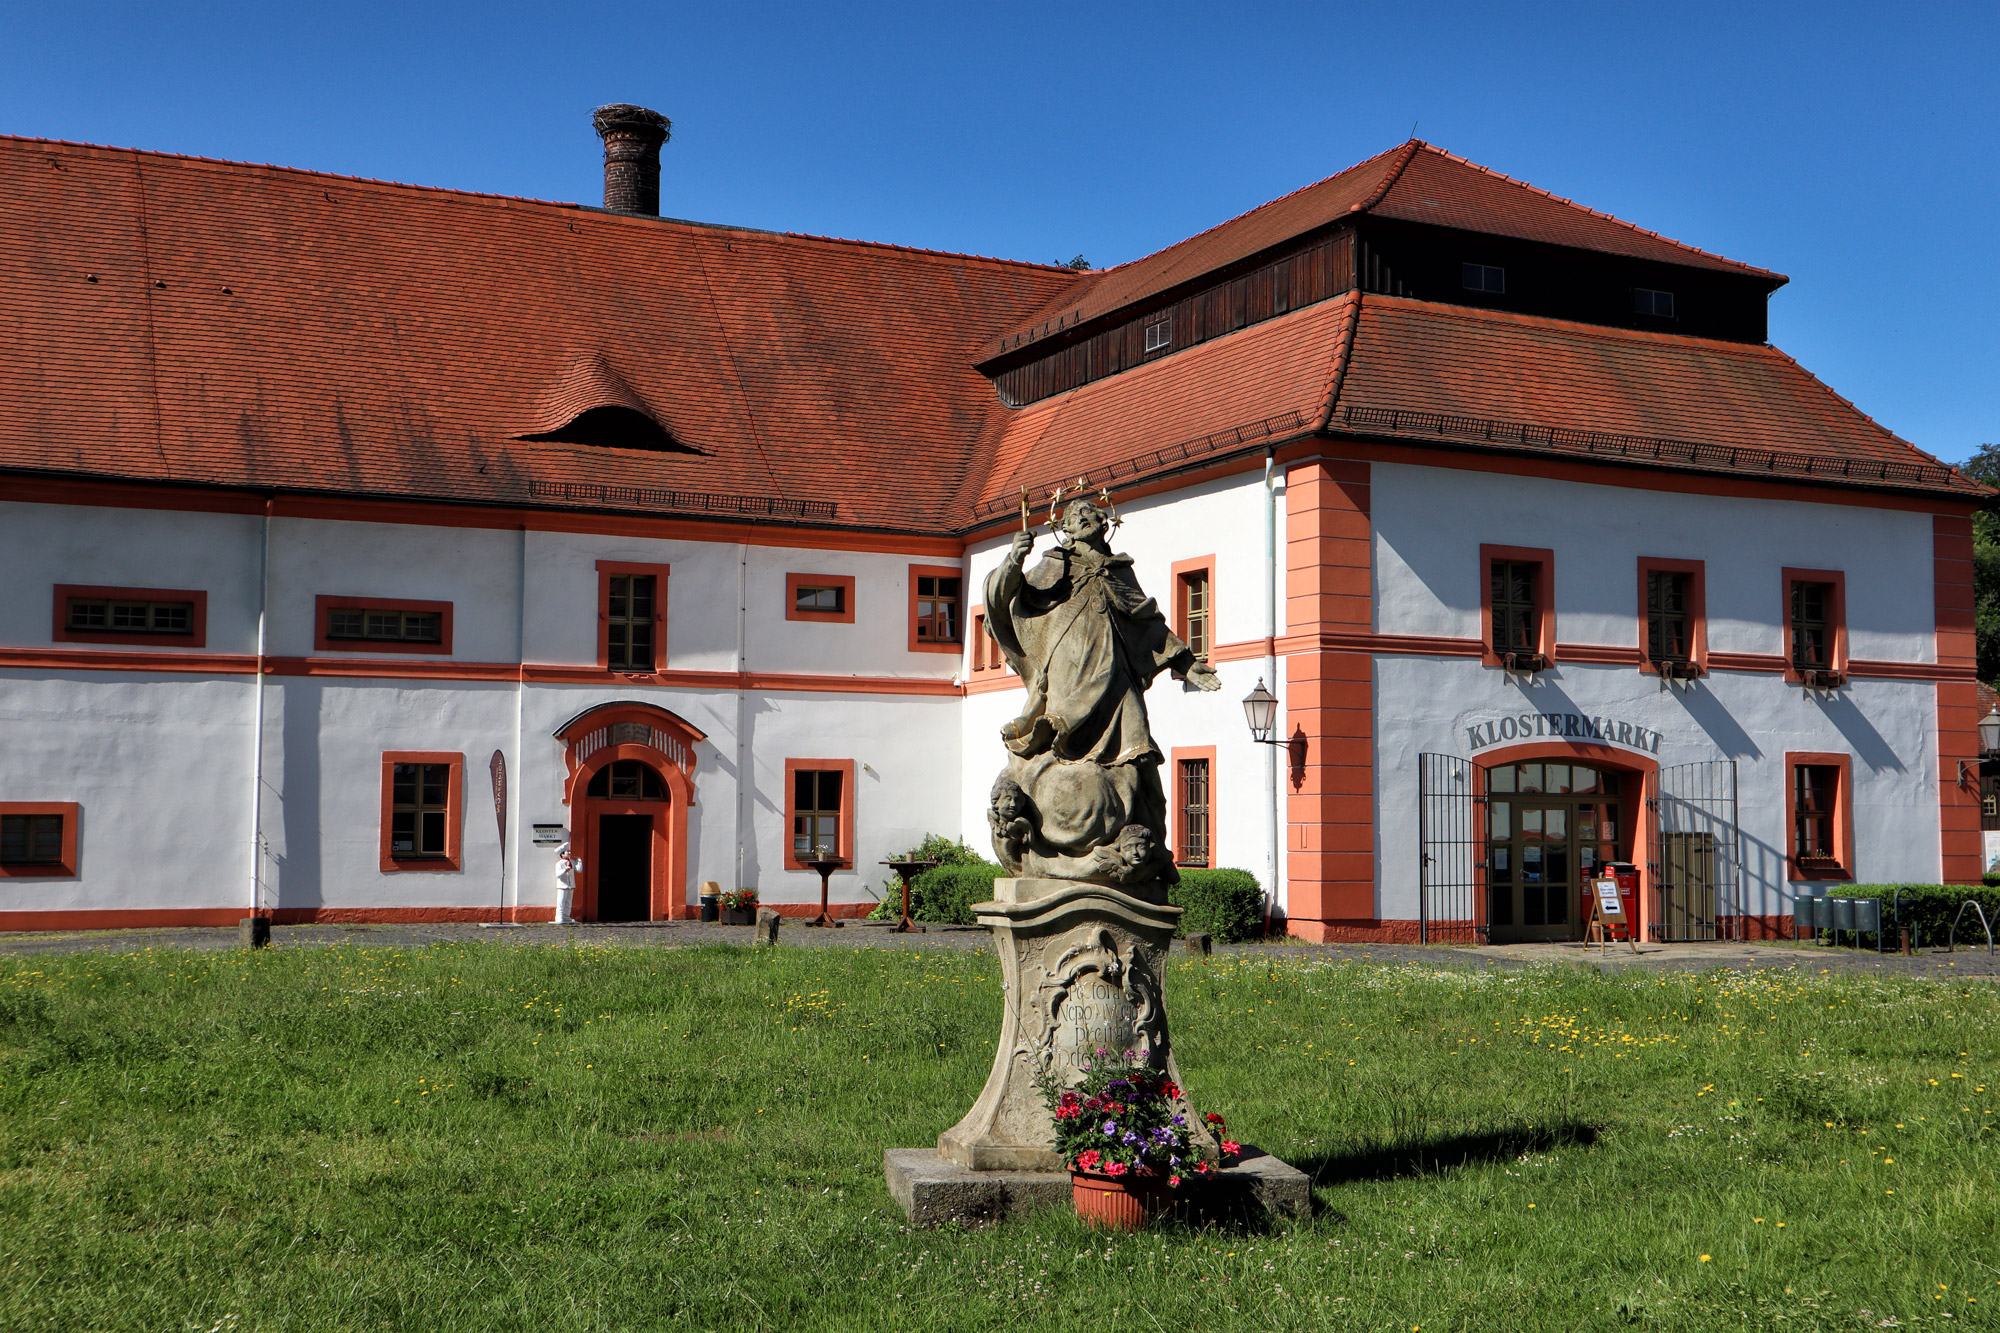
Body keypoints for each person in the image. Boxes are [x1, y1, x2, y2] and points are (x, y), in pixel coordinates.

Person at [981, 499, 1219, 886]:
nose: (1084, 519)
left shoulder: (1119, 570)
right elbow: (1005, 599)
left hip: (1119, 679)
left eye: (1091, 514)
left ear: (1105, 523)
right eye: (1075, 516)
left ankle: (1154, 846)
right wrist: (1013, 561)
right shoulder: (1054, 564)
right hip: (1068, 678)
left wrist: (1185, 662)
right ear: (1066, 529)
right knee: (1060, 749)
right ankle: (1052, 839)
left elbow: (1147, 622)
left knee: (1140, 759)